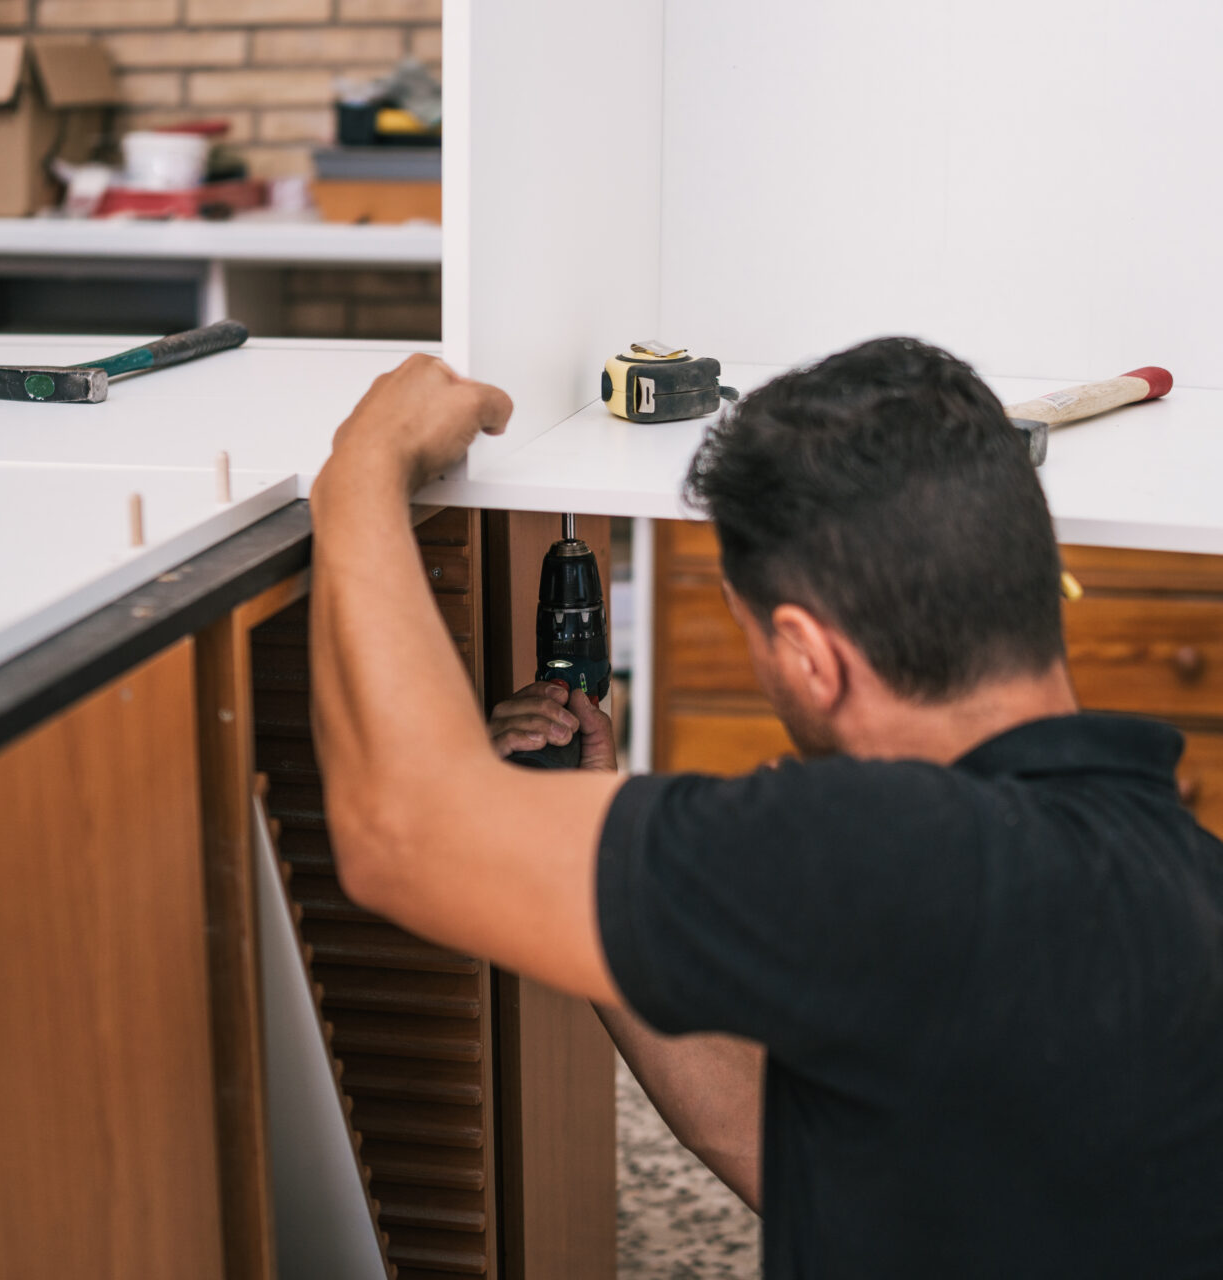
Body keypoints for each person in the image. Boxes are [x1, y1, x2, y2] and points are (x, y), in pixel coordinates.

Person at [308, 337, 1223, 1278]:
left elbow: (401, 832)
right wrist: (592, 836)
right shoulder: (1185, 871)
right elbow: (759, 1134)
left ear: (809, 655)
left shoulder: (885, 852)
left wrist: (361, 470)